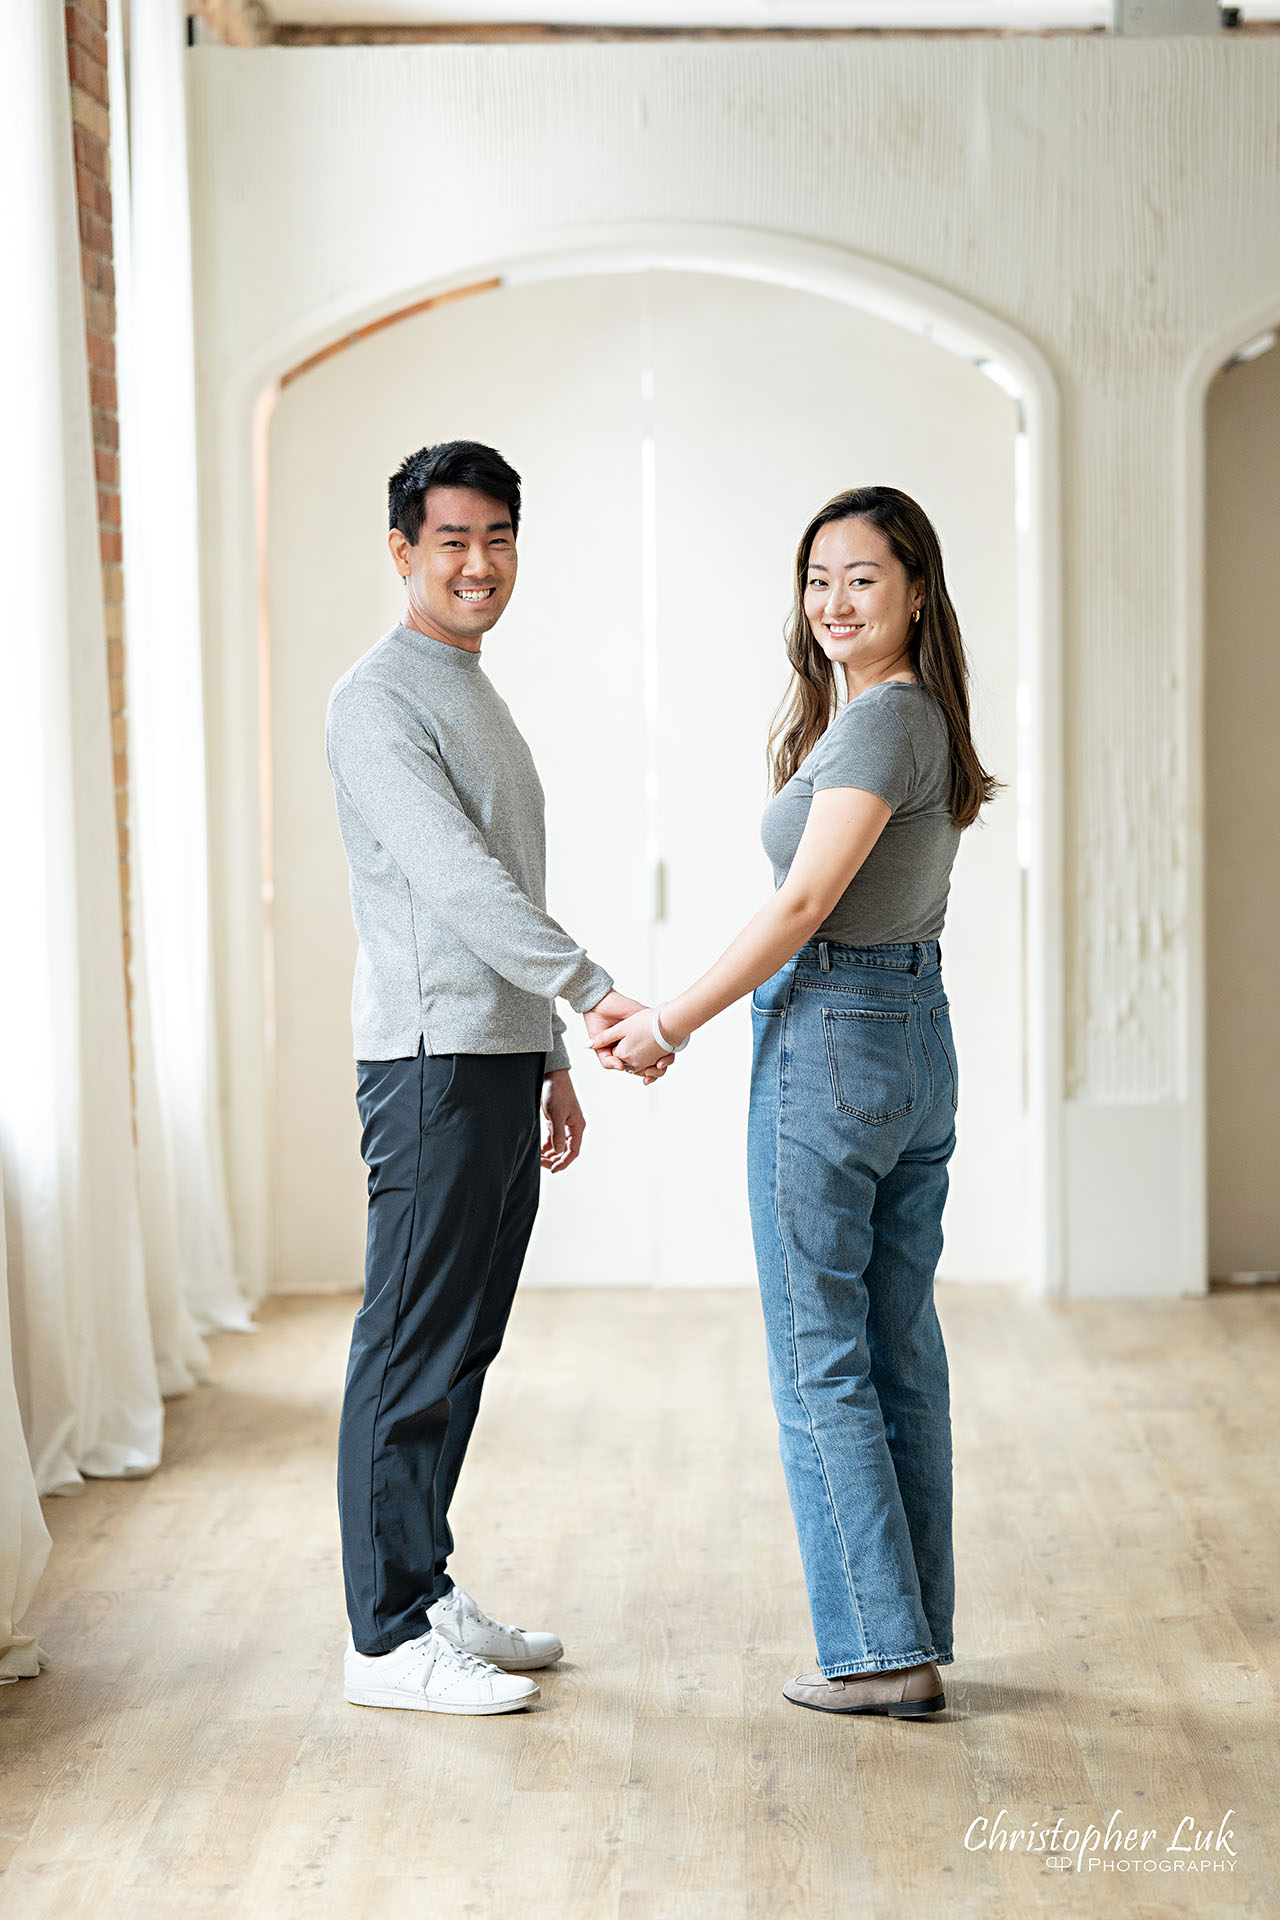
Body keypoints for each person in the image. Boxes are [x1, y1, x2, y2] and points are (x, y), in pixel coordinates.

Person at [592, 484, 997, 1717]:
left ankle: (878, 1655)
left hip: (834, 1034)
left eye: (861, 577)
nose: (832, 600)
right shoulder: (904, 720)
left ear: (914, 590)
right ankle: (908, 1636)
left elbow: (800, 905)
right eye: (817, 578)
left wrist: (668, 1021)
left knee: (822, 1354)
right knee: (893, 1350)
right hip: (912, 1038)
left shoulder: (881, 726)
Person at [325, 439, 670, 1718]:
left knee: (459, 1346)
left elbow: (494, 892)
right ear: (404, 550)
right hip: (423, 1068)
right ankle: (381, 1639)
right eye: (452, 541)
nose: (479, 564)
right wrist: (589, 992)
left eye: (499, 539)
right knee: (410, 1346)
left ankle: (422, 1585)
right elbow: (458, 887)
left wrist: (543, 1057)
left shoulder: (468, 686)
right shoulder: (377, 700)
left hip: (487, 1057)